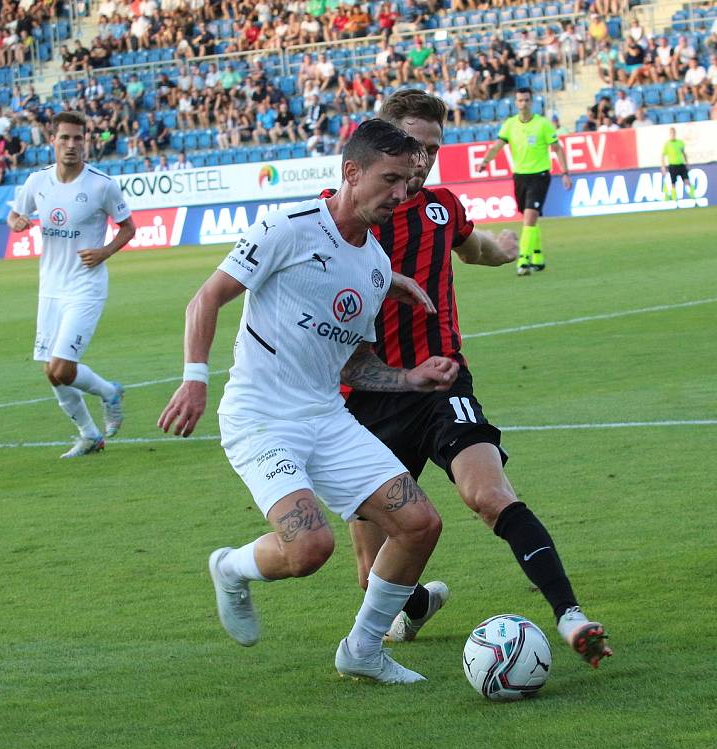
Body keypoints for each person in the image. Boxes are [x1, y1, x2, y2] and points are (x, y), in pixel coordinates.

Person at [158, 120, 460, 684]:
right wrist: (194, 377)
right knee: (309, 550)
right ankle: (230, 567)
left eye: (408, 182)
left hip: (326, 417)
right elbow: (208, 296)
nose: (401, 193)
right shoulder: (288, 227)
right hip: (261, 418)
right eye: (389, 179)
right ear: (351, 172)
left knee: (420, 523)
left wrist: (411, 379)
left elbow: (353, 364)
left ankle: (363, 651)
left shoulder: (373, 266)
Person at [342, 89, 612, 669]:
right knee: (371, 577)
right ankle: (414, 604)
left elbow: (476, 249)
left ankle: (571, 617)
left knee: (488, 494)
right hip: (367, 400)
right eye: (413, 146)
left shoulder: (442, 208)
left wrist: (505, 250)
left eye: (434, 149)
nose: (423, 161)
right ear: (382, 141)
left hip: (441, 383)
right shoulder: (336, 217)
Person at [7, 111, 136, 459]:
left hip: (86, 287)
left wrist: (105, 251)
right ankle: (89, 435)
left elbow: (128, 227)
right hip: (50, 288)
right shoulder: (37, 182)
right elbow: (15, 214)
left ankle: (109, 392)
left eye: (78, 138)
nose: (71, 145)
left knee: (62, 367)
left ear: (86, 142)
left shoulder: (101, 184)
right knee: (51, 373)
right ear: (52, 141)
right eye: (64, 138)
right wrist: (17, 221)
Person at [478, 88, 572, 276]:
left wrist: (565, 172)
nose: (524, 104)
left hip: (540, 176)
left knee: (529, 218)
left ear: (532, 102)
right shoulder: (510, 124)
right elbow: (498, 145)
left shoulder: (543, 124)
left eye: (527, 100)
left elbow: (557, 148)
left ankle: (523, 260)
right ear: (516, 102)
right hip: (520, 177)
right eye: (520, 100)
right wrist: (486, 161)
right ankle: (538, 257)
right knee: (529, 218)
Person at [661, 127, 695, 201]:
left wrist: (687, 163)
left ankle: (693, 197)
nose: (672, 134)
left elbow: (683, 153)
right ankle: (674, 199)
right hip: (672, 166)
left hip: (681, 165)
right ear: (669, 134)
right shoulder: (667, 144)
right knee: (673, 183)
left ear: (675, 133)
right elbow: (663, 156)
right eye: (671, 133)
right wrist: (663, 167)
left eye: (673, 133)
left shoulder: (680, 142)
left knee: (687, 181)